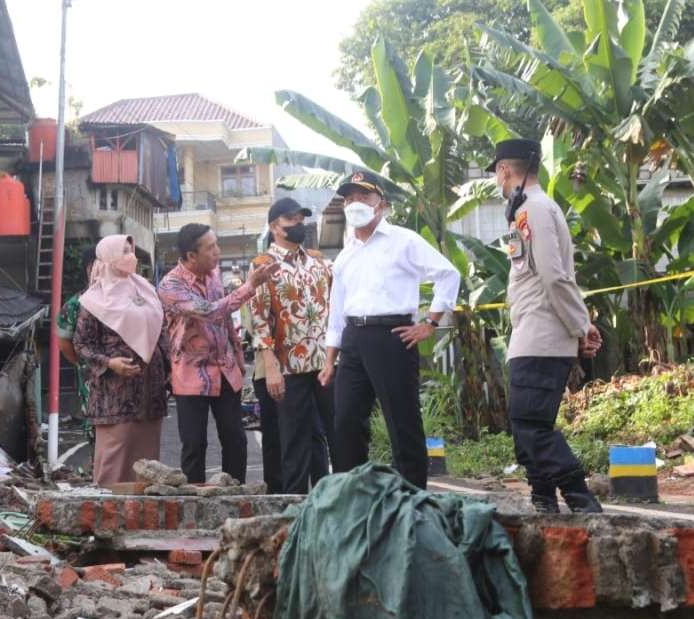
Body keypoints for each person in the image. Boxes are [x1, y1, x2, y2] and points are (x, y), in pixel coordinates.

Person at [318, 170, 460, 490]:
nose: (355, 203)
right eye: (349, 198)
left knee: (402, 421)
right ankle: (351, 494)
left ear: (380, 203)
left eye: (363, 197)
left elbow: (448, 275)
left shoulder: (403, 240)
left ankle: (411, 497)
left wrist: (430, 323)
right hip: (353, 339)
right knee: (346, 422)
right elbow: (337, 311)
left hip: (393, 335)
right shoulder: (345, 256)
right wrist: (330, 360)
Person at [487, 138, 603, 513]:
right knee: (525, 429)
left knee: (531, 425)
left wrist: (581, 325)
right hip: (531, 334)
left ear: (505, 169)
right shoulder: (526, 209)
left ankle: (581, 500)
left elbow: (554, 276)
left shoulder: (534, 209)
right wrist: (580, 323)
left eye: (496, 172)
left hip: (542, 335)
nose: (496, 179)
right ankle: (543, 502)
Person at [158, 223, 278, 484]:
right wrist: (249, 286)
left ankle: (234, 498)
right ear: (191, 255)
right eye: (211, 247)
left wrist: (236, 353)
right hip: (190, 375)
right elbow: (210, 311)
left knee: (236, 439)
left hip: (225, 370)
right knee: (194, 444)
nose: (218, 252)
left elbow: (224, 321)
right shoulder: (170, 286)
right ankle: (194, 507)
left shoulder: (213, 276)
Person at [248, 198, 333, 494]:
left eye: (301, 218)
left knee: (322, 437)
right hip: (289, 365)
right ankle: (294, 508)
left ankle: (326, 502)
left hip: (323, 364)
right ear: (274, 227)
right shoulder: (263, 265)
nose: (297, 224)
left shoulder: (319, 261)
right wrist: (270, 366)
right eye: (290, 219)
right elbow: (259, 320)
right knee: (294, 441)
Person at [73, 235, 168, 485]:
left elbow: (162, 330)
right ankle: (108, 516)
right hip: (115, 394)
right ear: (108, 258)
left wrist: (166, 368)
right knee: (116, 453)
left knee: (147, 459)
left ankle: (142, 518)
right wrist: (109, 363)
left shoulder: (146, 289)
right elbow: (82, 344)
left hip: (150, 389)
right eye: (124, 251)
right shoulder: (94, 300)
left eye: (131, 250)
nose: (131, 256)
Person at [56, 247, 98, 427]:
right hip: (93, 385)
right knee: (97, 436)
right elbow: (64, 344)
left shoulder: (125, 298)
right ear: (90, 268)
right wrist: (85, 362)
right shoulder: (75, 305)